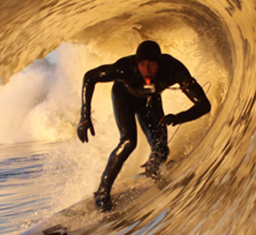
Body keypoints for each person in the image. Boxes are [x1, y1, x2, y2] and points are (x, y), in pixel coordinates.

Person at [77, 40, 211, 211]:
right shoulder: (125, 68)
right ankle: (103, 191)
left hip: (150, 100)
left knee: (161, 150)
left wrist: (178, 118)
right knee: (128, 141)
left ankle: (152, 171)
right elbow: (90, 77)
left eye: (152, 65)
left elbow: (204, 105)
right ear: (136, 63)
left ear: (159, 63)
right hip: (124, 97)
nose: (146, 70)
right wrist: (84, 116)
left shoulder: (173, 69)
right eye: (142, 65)